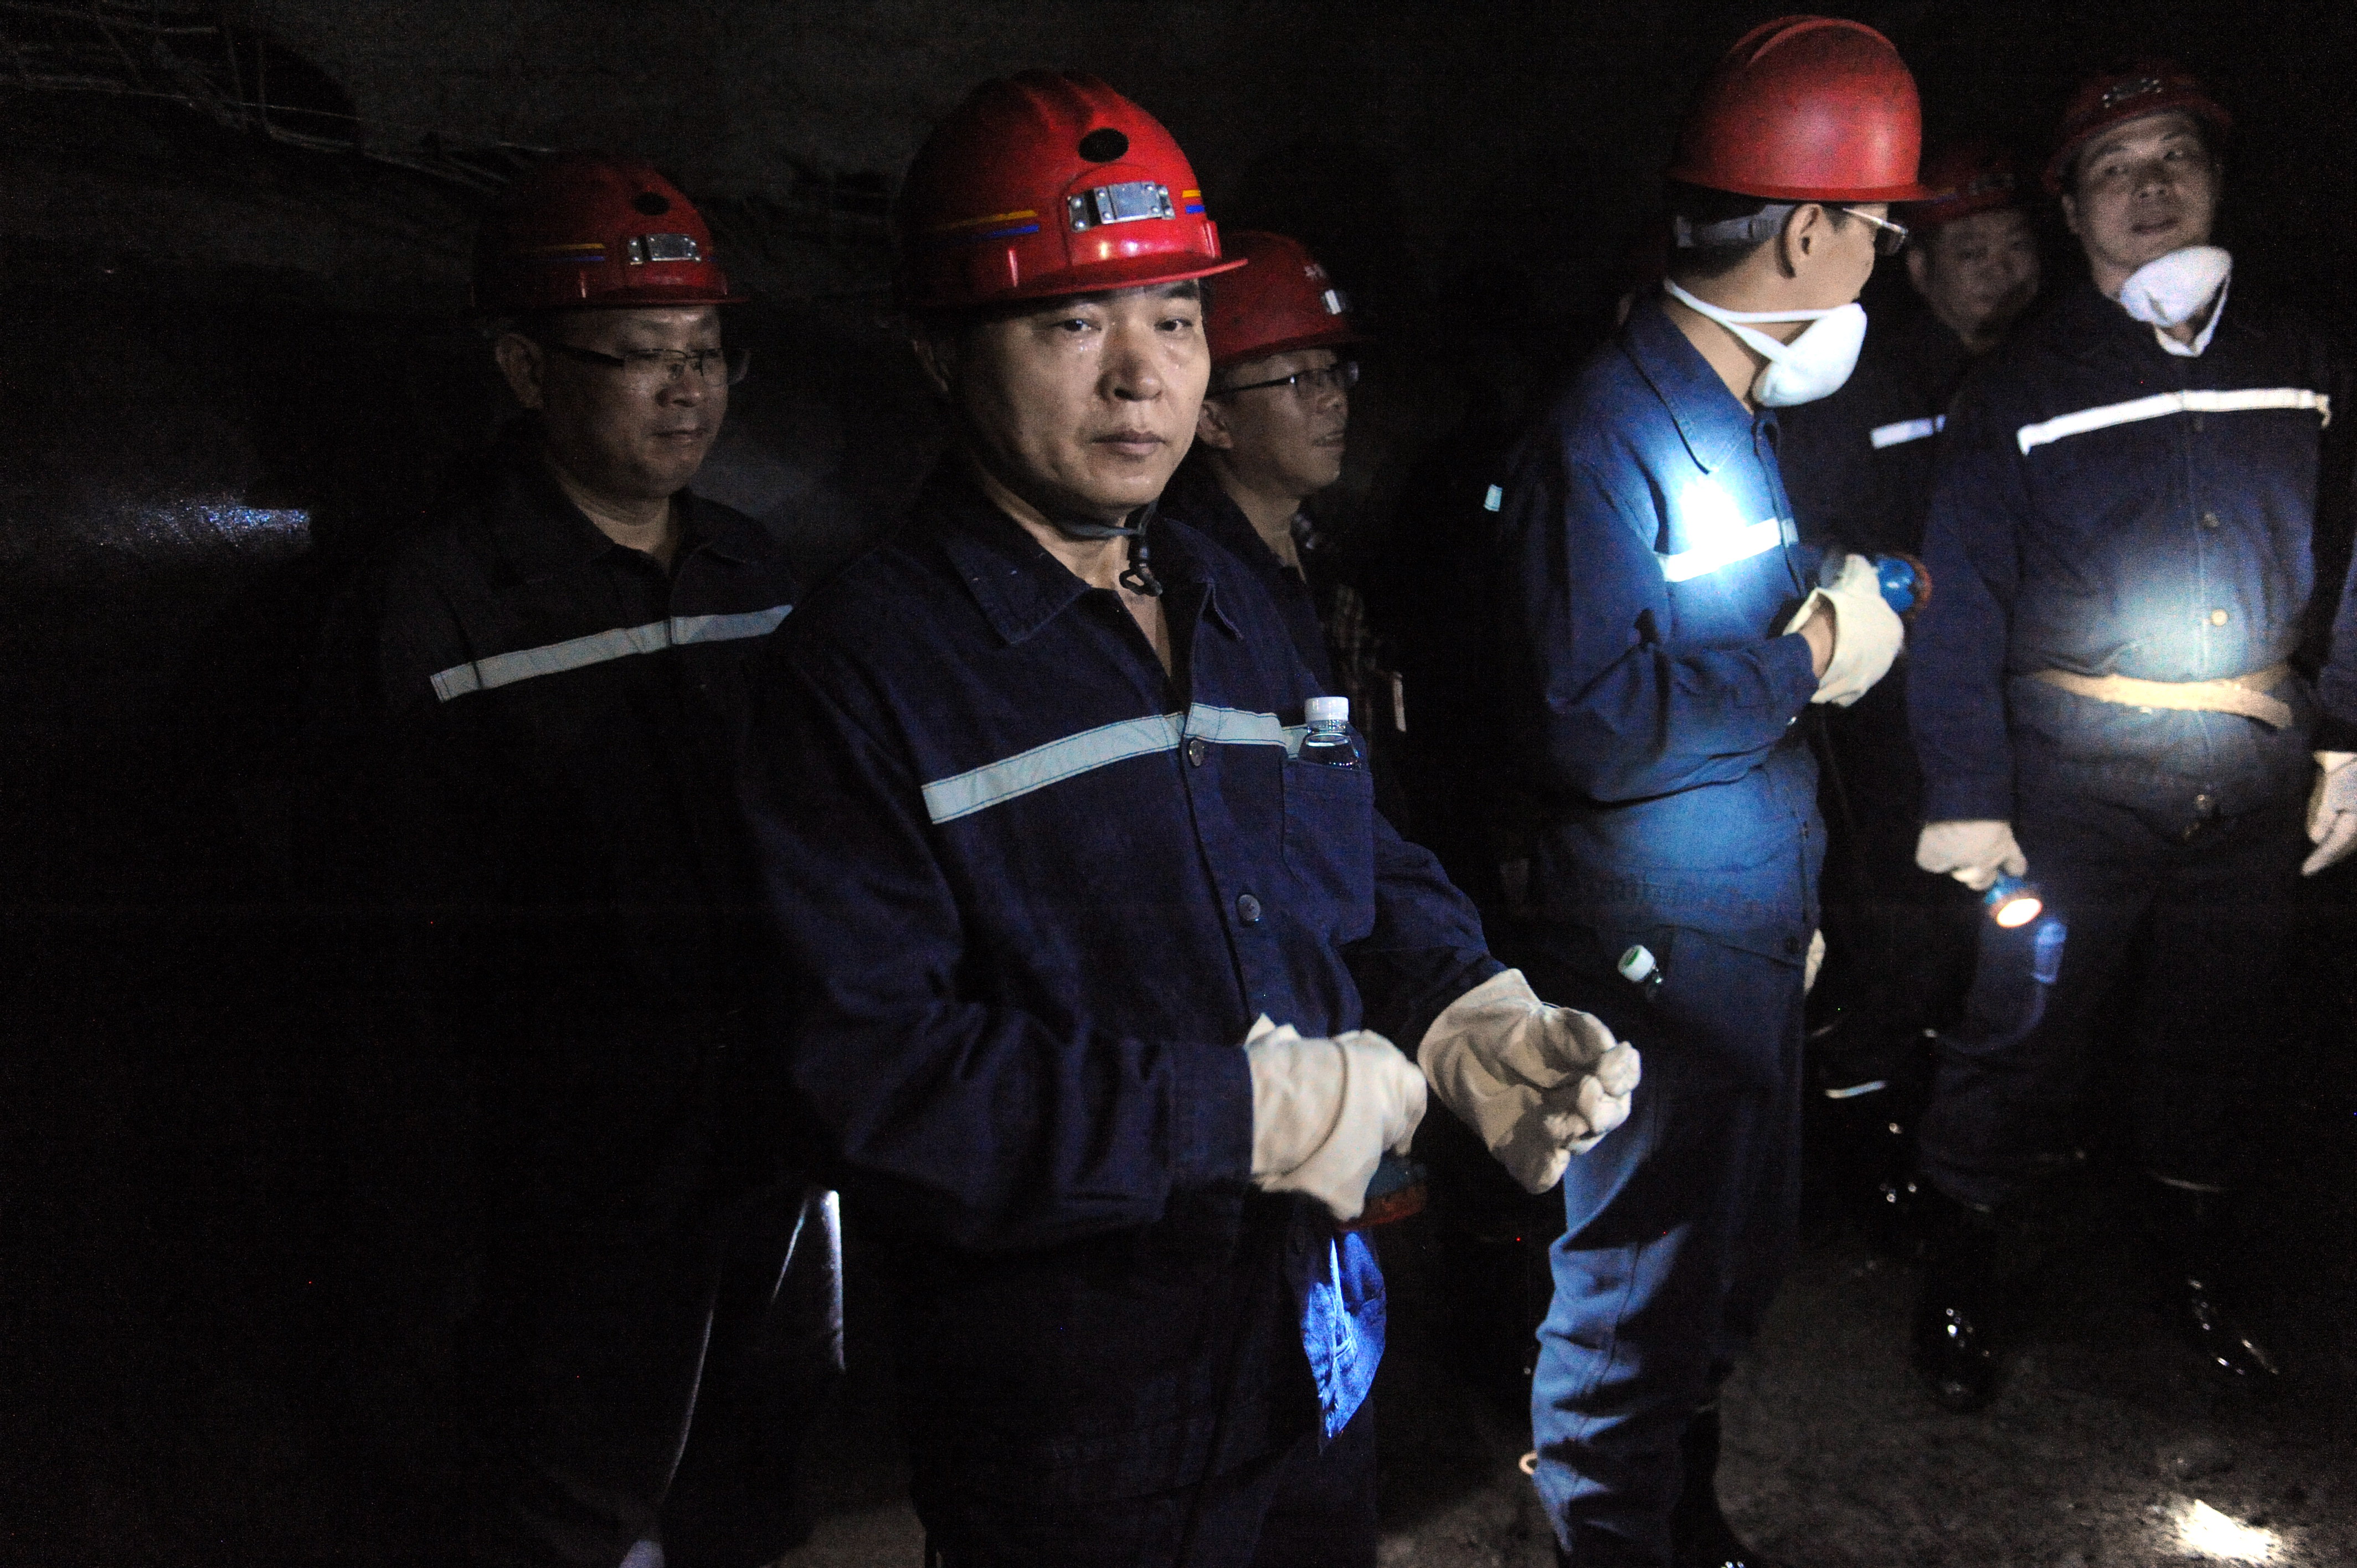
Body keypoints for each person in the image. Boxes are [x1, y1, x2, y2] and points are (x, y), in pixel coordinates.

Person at [735, 71, 1638, 1568]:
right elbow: (871, 1078)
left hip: (1311, 1339)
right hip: (1078, 1416)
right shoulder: (862, 671)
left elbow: (1354, 862)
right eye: (1071, 324)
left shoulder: (1235, 602)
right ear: (936, 354)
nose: (1143, 378)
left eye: (1174, 317)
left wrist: (1465, 1008)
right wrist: (1238, 1119)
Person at [313, 156, 832, 1567]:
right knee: (574, 1498)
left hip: (761, 1135)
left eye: (710, 351)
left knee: (755, 1471)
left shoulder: (752, 570)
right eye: (641, 354)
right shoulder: (437, 599)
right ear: (525, 370)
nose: (689, 388)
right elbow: (397, 954)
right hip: (561, 1178)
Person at [1496, 18, 1926, 1565]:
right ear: (1808, 229)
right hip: (1655, 948)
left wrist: (1824, 603)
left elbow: (1694, 643)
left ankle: (1687, 1521)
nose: (1882, 261)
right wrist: (1811, 654)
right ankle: (1620, 1536)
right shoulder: (1605, 430)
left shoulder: (1728, 408)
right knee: (1640, 1295)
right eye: (1875, 230)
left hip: (1736, 919)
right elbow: (1586, 720)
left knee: (1722, 1274)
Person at [1905, 60, 2348, 1409]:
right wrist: (1968, 795)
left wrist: (2347, 738)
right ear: (2074, 208)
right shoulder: (2020, 387)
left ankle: (2194, 1268)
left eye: (2175, 160)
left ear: (2215, 182)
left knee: (2214, 1033)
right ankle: (1959, 1272)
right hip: (2072, 786)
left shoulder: (2303, 358)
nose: (2150, 189)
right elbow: (1957, 602)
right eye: (2115, 168)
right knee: (2022, 1026)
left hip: (2255, 776)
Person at [1777, 141, 2043, 1239]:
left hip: (2026, 699)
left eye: (2014, 246)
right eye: (1968, 251)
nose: (1999, 271)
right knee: (1899, 929)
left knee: (2013, 926)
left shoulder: (2052, 372)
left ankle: (1978, 1122)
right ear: (1918, 268)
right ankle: (1862, 1132)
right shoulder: (1863, 385)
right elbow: (1813, 535)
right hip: (1890, 714)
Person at [1163, 230, 1381, 733]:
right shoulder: (1195, 586)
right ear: (1213, 421)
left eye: (1333, 373)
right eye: (1298, 380)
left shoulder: (1326, 550)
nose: (1334, 400)